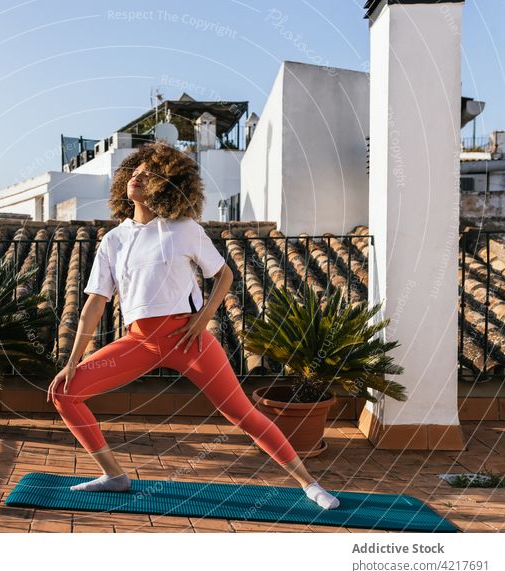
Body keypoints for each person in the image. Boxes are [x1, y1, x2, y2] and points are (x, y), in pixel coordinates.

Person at [46, 142, 340, 510]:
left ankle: (310, 484)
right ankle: (115, 476)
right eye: (134, 171)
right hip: (139, 341)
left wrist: (202, 319)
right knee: (65, 392)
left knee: (242, 413)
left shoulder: (183, 228)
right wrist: (73, 359)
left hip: (188, 340)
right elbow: (94, 303)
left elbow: (225, 275)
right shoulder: (113, 240)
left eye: (148, 173)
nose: (137, 177)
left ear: (165, 183)